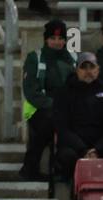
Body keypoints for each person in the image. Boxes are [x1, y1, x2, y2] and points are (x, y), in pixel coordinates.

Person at [19, 20, 74, 179]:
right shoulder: (34, 58)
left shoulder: (73, 58)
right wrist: (54, 105)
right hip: (39, 109)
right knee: (50, 120)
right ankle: (31, 168)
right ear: (46, 39)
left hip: (68, 108)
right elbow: (30, 90)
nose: (57, 42)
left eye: (60, 39)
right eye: (53, 38)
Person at [52, 53, 103, 180]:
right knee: (67, 157)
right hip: (74, 147)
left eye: (91, 67)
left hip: (101, 147)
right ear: (77, 70)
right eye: (84, 68)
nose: (88, 71)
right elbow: (62, 128)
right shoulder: (63, 93)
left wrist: (97, 150)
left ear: (98, 70)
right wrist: (83, 150)